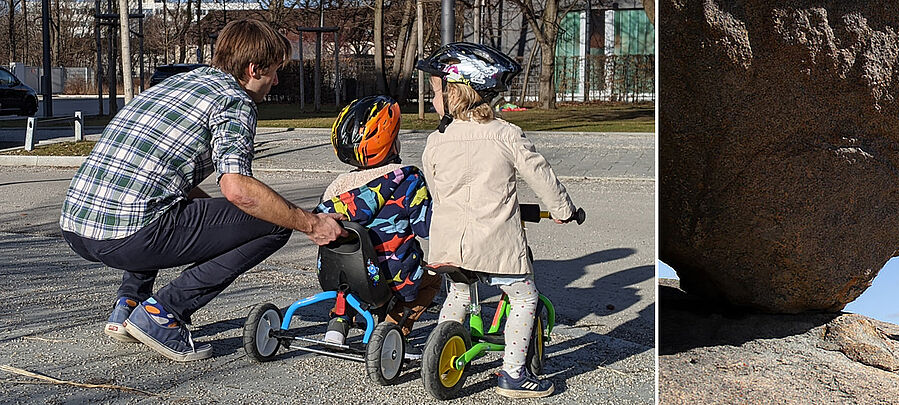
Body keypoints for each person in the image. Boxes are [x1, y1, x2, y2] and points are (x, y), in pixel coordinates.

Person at [59, 19, 346, 362]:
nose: (276, 81)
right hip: (128, 237)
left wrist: (214, 229)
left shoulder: (179, 83)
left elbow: (158, 173)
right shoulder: (235, 101)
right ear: (254, 69)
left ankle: (129, 303)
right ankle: (164, 313)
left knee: (158, 203)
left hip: (75, 229)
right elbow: (238, 188)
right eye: (274, 71)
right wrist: (311, 223)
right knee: (277, 222)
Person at [416, 42, 578, 398]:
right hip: (494, 243)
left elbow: (436, 188)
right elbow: (541, 176)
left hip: (446, 244)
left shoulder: (435, 141)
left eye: (436, 91)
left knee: (459, 291)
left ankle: (446, 344)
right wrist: (564, 210)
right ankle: (513, 374)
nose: (432, 99)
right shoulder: (505, 134)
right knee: (524, 297)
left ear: (457, 91)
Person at [315, 95, 441, 361]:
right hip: (392, 278)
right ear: (391, 142)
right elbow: (425, 226)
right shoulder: (409, 179)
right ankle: (392, 329)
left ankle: (338, 324)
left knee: (348, 272)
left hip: (340, 277)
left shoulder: (337, 188)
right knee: (432, 281)